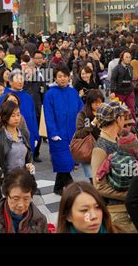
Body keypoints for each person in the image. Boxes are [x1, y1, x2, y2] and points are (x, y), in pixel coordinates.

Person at [91, 101, 137, 233]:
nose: (125, 119)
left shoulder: (117, 140)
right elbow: (99, 186)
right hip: (116, 212)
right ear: (117, 119)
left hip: (127, 209)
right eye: (123, 116)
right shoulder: (101, 148)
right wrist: (131, 194)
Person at [44, 65, 84, 195]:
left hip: (73, 133)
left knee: (66, 163)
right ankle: (73, 190)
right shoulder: (50, 94)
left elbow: (81, 111)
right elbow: (48, 115)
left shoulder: (73, 92)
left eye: (65, 76)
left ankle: (57, 188)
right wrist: (53, 132)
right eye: (60, 76)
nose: (62, 79)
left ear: (69, 77)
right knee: (64, 161)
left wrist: (81, 129)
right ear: (55, 78)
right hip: (58, 134)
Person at [0, 168, 48, 233]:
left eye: (26, 198)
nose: (21, 205)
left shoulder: (40, 220)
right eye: (16, 199)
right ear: (6, 195)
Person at [0, 69, 40, 157]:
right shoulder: (5, 97)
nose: (20, 82)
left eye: (22, 79)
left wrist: (35, 135)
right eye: (17, 79)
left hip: (28, 134)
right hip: (11, 136)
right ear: (10, 82)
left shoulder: (28, 97)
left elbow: (33, 118)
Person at [0, 101, 34, 176]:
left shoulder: (24, 133)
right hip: (7, 180)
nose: (17, 118)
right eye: (13, 116)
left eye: (18, 115)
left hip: (23, 178)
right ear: (5, 117)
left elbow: (29, 156)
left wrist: (30, 165)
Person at [74, 89, 104, 182]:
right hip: (89, 151)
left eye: (100, 102)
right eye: (95, 103)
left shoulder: (105, 113)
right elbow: (79, 134)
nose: (97, 105)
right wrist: (93, 124)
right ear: (89, 103)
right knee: (93, 179)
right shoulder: (83, 114)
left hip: (104, 151)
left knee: (103, 179)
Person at [110, 50, 135, 118]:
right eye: (126, 57)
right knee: (118, 110)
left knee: (132, 109)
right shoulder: (116, 68)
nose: (128, 59)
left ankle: (133, 125)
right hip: (119, 92)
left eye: (129, 57)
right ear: (122, 58)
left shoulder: (130, 67)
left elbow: (131, 79)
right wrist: (112, 91)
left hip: (129, 91)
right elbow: (113, 79)